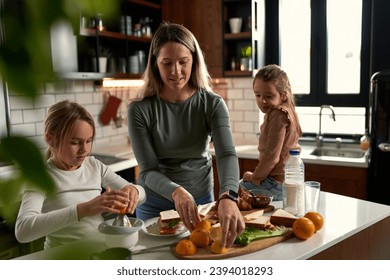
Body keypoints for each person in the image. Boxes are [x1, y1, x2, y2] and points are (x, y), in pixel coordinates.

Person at [127, 22, 244, 247]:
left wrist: (228, 196)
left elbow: (227, 154)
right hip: (153, 204)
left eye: (183, 62)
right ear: (155, 64)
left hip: (201, 203)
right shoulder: (139, 110)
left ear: (194, 61)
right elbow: (148, 169)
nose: (176, 71)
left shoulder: (213, 104)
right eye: (166, 63)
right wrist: (177, 192)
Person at [15, 100, 146, 249]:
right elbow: (23, 231)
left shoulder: (94, 166)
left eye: (88, 141)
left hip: (98, 251)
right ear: (50, 138)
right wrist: (83, 209)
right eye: (75, 142)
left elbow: (142, 194)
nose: (84, 150)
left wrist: (133, 191)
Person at [240, 64, 302, 200]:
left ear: (283, 95)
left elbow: (271, 157)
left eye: (269, 96)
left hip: (275, 184)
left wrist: (254, 177)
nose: (262, 100)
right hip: (284, 183)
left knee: (233, 190)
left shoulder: (278, 114)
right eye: (258, 95)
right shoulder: (289, 111)